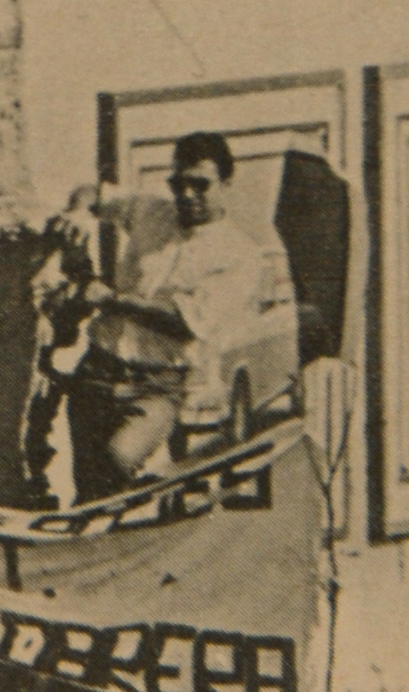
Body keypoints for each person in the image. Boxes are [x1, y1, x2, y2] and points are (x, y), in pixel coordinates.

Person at [56, 131, 296, 500]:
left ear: (226, 183)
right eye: (178, 183)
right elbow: (92, 193)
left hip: (156, 386)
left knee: (118, 459)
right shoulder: (152, 210)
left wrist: (112, 300)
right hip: (97, 370)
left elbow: (183, 323)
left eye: (200, 185)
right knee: (89, 490)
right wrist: (77, 212)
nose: (186, 195)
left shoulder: (239, 256)